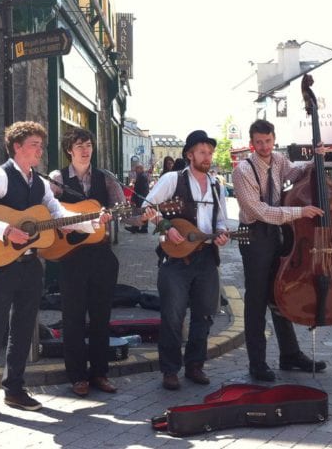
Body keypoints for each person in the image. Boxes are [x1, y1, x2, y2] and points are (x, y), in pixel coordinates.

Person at [0, 121, 97, 422]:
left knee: (23, 329)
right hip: (2, 264)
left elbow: (57, 214)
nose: (40, 150)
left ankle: (14, 388)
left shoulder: (41, 182)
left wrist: (88, 222)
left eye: (41, 145)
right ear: (17, 147)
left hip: (32, 264)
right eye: (34, 144)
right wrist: (4, 229)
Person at [49, 128, 145, 397]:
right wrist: (65, 224)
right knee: (73, 318)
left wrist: (143, 217)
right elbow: (43, 211)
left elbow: (126, 214)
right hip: (71, 256)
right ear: (69, 149)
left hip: (101, 256)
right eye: (79, 145)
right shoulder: (57, 179)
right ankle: (78, 376)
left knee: (102, 317)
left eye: (88, 145)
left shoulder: (106, 179)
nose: (85, 150)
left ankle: (100, 373)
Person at [232, 119, 326, 382]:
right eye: (259, 142)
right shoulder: (243, 171)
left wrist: (315, 159)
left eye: (268, 141)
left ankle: (290, 354)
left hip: (277, 232)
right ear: (252, 143)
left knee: (281, 291)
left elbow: (296, 173)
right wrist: (299, 211)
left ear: (274, 139)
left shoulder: (279, 160)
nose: (264, 146)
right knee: (257, 299)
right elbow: (257, 210)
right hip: (254, 235)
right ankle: (257, 363)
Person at [142, 130, 229, 390]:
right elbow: (147, 207)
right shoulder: (172, 179)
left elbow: (221, 221)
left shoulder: (216, 185)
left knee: (204, 314)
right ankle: (170, 369)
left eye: (210, 152)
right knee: (172, 315)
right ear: (190, 154)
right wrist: (166, 227)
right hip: (176, 259)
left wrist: (222, 234)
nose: (208, 157)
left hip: (206, 257)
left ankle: (195, 365)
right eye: (202, 152)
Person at [125, 163, 150, 233]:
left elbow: (138, 189)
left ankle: (139, 228)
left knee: (140, 212)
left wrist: (134, 197)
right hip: (142, 197)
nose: (135, 170)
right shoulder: (142, 175)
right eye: (136, 168)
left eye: (137, 168)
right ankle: (138, 227)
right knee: (140, 212)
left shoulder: (142, 176)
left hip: (141, 197)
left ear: (141, 169)